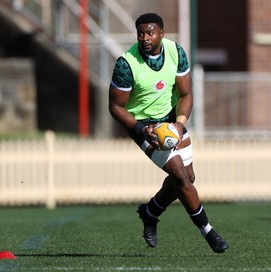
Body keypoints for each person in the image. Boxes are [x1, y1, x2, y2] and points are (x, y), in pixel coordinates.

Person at [108, 13, 228, 253]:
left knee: (188, 178)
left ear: (162, 33)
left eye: (150, 32)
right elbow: (115, 107)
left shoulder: (176, 52)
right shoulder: (126, 63)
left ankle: (150, 212)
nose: (145, 38)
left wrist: (180, 124)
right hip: (144, 126)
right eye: (140, 33)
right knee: (181, 177)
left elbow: (186, 95)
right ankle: (209, 232)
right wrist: (140, 129)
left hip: (172, 122)